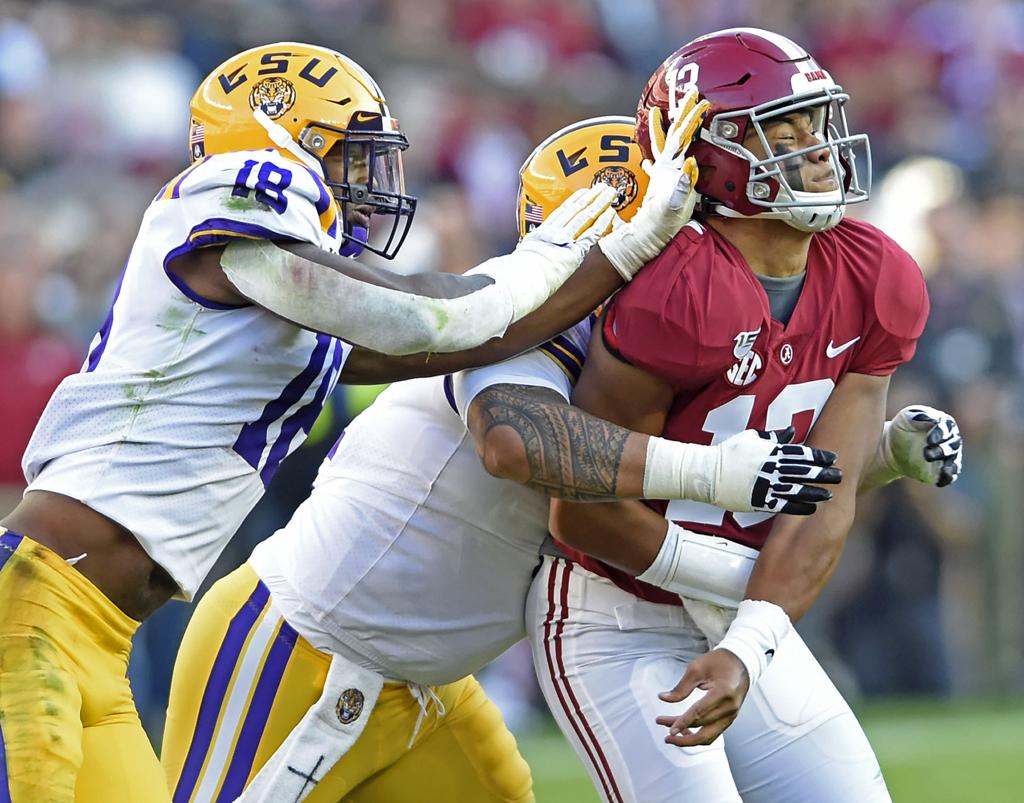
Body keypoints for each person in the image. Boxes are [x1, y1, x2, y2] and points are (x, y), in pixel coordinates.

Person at [160, 113, 958, 803]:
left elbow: (754, 472)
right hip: (301, 642)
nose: (691, 245)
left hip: (432, 682)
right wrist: (723, 501)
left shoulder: (676, 334)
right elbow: (527, 445)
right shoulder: (519, 324)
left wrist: (877, 456)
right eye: (667, 223)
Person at [0, 42, 706, 802]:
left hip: (99, 636)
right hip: (34, 612)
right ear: (279, 137)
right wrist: (558, 250)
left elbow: (471, 337)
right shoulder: (229, 189)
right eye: (347, 156)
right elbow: (431, 315)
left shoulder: (272, 305)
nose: (365, 192)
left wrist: (619, 254)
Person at [529, 28, 961, 803]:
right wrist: (741, 585)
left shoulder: (876, 272)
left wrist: (751, 636)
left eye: (816, 121)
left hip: (745, 615)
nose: (819, 147)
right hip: (617, 615)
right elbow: (584, 511)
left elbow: (823, 496)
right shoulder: (678, 286)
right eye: (781, 129)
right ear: (712, 154)